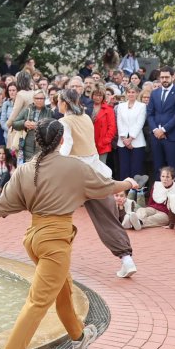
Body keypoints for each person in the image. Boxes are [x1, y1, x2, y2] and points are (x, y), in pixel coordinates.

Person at [0, 120, 137, 349]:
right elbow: (106, 186)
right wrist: (128, 183)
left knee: (63, 291)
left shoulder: (24, 169)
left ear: (37, 141)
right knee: (37, 303)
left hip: (35, 239)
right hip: (54, 242)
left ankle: (79, 337)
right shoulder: (73, 166)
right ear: (61, 140)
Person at [55, 88, 138, 278]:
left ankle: (54, 258)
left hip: (75, 175)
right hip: (95, 173)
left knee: (57, 213)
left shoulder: (64, 121)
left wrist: (55, 162)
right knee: (107, 217)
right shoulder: (85, 117)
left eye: (58, 101)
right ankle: (126, 259)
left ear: (65, 103)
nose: (57, 103)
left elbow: (66, 147)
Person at [114, 86, 146, 181]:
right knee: (124, 168)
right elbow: (119, 122)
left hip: (137, 141)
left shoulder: (142, 106)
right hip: (122, 142)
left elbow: (140, 123)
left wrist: (131, 139)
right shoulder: (121, 106)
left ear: (137, 93)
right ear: (126, 93)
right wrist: (124, 139)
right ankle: (124, 191)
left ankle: (135, 193)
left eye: (133, 92)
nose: (131, 94)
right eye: (129, 92)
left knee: (136, 169)